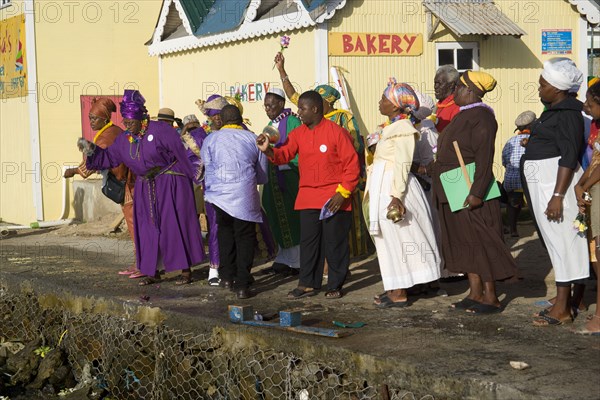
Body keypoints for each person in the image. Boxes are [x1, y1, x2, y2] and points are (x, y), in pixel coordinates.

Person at [79, 89, 205, 286]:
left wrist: (188, 181)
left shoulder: (161, 131)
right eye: (125, 123)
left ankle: (185, 270)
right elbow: (108, 158)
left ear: (141, 118)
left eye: (131, 123)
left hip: (170, 183)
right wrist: (91, 150)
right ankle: (152, 271)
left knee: (174, 225)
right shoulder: (124, 139)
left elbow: (182, 153)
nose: (128, 127)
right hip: (145, 186)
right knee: (147, 229)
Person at [256, 91, 360, 299]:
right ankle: (307, 283)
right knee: (309, 243)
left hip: (334, 198)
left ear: (315, 109)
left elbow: (352, 166)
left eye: (303, 108)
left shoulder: (336, 132)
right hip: (308, 197)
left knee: (334, 243)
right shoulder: (299, 134)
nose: (298, 112)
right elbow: (283, 155)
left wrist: (343, 193)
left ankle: (334, 285)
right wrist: (268, 151)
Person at [432, 70, 517, 314]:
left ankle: (491, 297)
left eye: (458, 87)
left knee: (481, 243)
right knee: (463, 243)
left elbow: (484, 157)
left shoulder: (482, 117)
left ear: (470, 90)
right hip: (453, 188)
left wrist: (477, 192)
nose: (454, 90)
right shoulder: (463, 115)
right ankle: (475, 292)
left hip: (471, 191)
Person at [274, 52, 369, 259]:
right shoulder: (306, 123)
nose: (300, 109)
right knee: (313, 237)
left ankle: (344, 265)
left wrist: (332, 142)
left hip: (340, 181)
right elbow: (293, 95)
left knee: (337, 234)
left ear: (324, 104)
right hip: (312, 187)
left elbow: (356, 147)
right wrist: (282, 70)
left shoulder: (342, 118)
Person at [520, 58, 589, 326]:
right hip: (546, 184)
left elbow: (569, 155)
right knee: (555, 243)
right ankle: (566, 301)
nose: (539, 90)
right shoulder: (555, 111)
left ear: (558, 88)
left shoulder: (569, 114)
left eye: (543, 85)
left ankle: (563, 309)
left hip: (556, 186)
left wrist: (558, 195)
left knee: (565, 244)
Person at [365, 80, 441, 308]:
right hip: (384, 185)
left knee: (398, 238)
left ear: (397, 106)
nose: (380, 102)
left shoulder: (404, 129)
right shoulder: (393, 127)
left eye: (384, 99)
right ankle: (398, 286)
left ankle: (398, 292)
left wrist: (396, 195)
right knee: (391, 239)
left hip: (393, 188)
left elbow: (402, 163)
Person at [64, 97, 142, 279]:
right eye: (90, 117)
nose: (91, 122)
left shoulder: (108, 136)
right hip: (129, 184)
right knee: (135, 225)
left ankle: (142, 264)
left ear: (106, 120)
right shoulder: (112, 131)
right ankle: (140, 262)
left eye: (95, 119)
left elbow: (97, 161)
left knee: (135, 226)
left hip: (129, 186)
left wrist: (75, 170)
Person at [201, 105, 268, 299]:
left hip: (219, 196)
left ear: (220, 119)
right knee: (245, 237)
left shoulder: (211, 139)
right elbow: (262, 174)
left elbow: (207, 166)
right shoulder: (252, 138)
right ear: (241, 119)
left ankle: (227, 277)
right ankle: (242, 284)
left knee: (225, 234)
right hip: (244, 196)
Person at [261, 88, 302, 275]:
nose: (267, 109)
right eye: (265, 105)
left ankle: (297, 261)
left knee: (291, 216)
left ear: (281, 104)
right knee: (274, 212)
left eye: (270, 105)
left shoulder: (292, 121)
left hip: (289, 175)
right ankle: (283, 257)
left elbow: (298, 150)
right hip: (273, 175)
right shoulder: (271, 124)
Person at [180, 114, 221, 286]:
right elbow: (190, 161)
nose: (215, 119)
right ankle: (214, 267)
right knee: (214, 227)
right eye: (212, 116)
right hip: (208, 188)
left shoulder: (239, 131)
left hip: (233, 188)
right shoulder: (199, 136)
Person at [574, 79, 600, 335]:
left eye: (591, 104)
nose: (586, 107)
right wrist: (580, 185)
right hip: (593, 189)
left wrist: (583, 185)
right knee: (594, 251)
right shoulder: (595, 126)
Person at [502, 110, 536, 237]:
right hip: (530, 180)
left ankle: (513, 230)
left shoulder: (510, 141)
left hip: (512, 180)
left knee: (513, 203)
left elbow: (504, 161)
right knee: (534, 204)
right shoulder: (535, 140)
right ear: (531, 126)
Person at [433, 65, 461, 133]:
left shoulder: (457, 107)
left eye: (439, 83)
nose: (435, 86)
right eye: (435, 83)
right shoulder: (440, 104)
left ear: (451, 85)